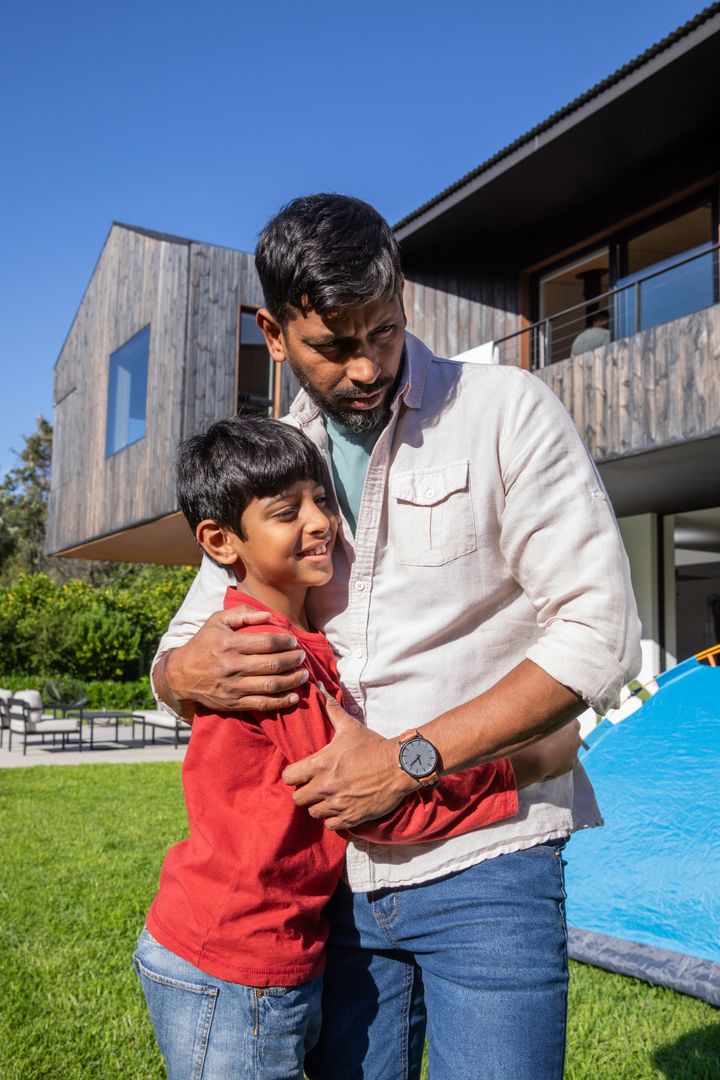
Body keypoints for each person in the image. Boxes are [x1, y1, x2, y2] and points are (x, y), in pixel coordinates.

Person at [152, 194, 641, 1080]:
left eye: (383, 330)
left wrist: (409, 758)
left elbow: (598, 634)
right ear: (273, 331)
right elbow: (182, 647)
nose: (368, 365)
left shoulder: (506, 411)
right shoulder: (273, 459)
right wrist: (185, 670)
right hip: (332, 890)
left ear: (401, 293)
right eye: (333, 347)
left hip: (490, 867)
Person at [134, 415, 579, 1080]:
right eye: (287, 512)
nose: (319, 522)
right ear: (220, 541)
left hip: (254, 948)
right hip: (234, 961)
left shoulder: (281, 636)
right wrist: (529, 762)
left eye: (322, 498)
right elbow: (379, 808)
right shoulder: (266, 658)